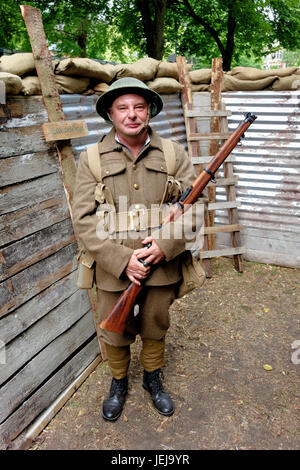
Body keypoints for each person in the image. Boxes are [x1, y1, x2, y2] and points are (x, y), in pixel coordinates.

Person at [72, 77, 205, 422]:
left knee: (155, 324)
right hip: (112, 266)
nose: (132, 114)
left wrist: (165, 245)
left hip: (161, 265)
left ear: (149, 111)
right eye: (123, 108)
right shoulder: (91, 159)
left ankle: (152, 379)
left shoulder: (174, 153)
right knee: (114, 330)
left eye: (139, 107)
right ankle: (118, 383)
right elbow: (83, 219)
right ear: (111, 114)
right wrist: (120, 260)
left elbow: (196, 207)